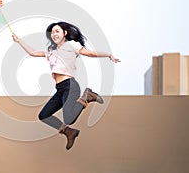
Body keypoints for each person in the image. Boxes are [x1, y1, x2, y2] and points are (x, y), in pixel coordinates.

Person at [12, 21, 120, 150]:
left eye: (57, 31)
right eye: (52, 32)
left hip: (70, 86)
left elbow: (90, 53)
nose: (54, 34)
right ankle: (69, 132)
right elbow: (33, 53)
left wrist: (108, 55)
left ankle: (87, 96)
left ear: (65, 33)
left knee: (69, 118)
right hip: (60, 89)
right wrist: (19, 41)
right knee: (43, 115)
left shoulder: (71, 45)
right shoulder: (50, 51)